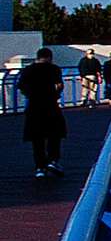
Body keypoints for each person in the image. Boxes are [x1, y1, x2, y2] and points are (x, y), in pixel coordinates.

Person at [18, 47, 65, 179]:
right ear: (49, 57)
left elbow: (21, 87)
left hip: (34, 107)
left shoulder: (28, 70)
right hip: (50, 105)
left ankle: (40, 167)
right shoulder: (54, 69)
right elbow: (59, 85)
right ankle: (53, 160)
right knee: (54, 134)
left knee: (37, 138)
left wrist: (30, 94)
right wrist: (56, 94)